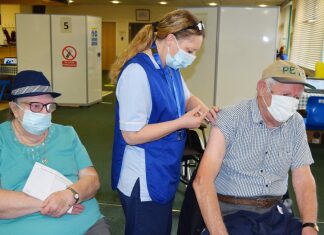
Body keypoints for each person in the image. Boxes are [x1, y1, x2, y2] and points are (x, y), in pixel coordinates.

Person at [110, 9, 218, 235]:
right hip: (143, 175)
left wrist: (205, 111)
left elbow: (187, 98)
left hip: (162, 167)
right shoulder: (137, 73)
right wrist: (181, 123)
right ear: (170, 40)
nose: (192, 57)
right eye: (190, 51)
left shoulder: (170, 67)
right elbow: (131, 134)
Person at [193, 60, 319, 235]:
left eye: (296, 98)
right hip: (231, 213)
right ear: (262, 88)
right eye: (286, 95)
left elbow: (303, 178)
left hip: (275, 213)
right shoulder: (231, 118)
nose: (291, 103)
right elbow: (202, 181)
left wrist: (309, 225)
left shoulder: (295, 123)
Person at [0, 70, 110, 235]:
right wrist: (54, 201)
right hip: (24, 226)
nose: (45, 113)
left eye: (50, 106)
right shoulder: (2, 139)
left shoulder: (67, 134)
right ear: (14, 108)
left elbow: (92, 180)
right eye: (35, 106)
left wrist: (69, 196)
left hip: (85, 223)